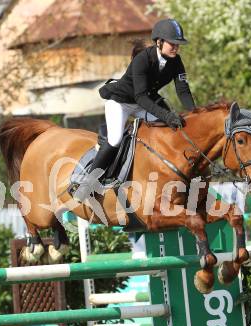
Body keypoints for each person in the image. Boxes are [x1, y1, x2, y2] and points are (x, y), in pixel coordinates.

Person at [75, 19, 196, 200]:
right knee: (115, 139)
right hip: (121, 103)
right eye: (173, 43)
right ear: (159, 42)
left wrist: (195, 115)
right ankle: (88, 184)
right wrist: (166, 115)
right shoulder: (143, 59)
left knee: (166, 129)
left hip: (141, 104)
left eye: (178, 44)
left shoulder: (176, 61)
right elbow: (140, 96)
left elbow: (183, 90)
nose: (176, 48)